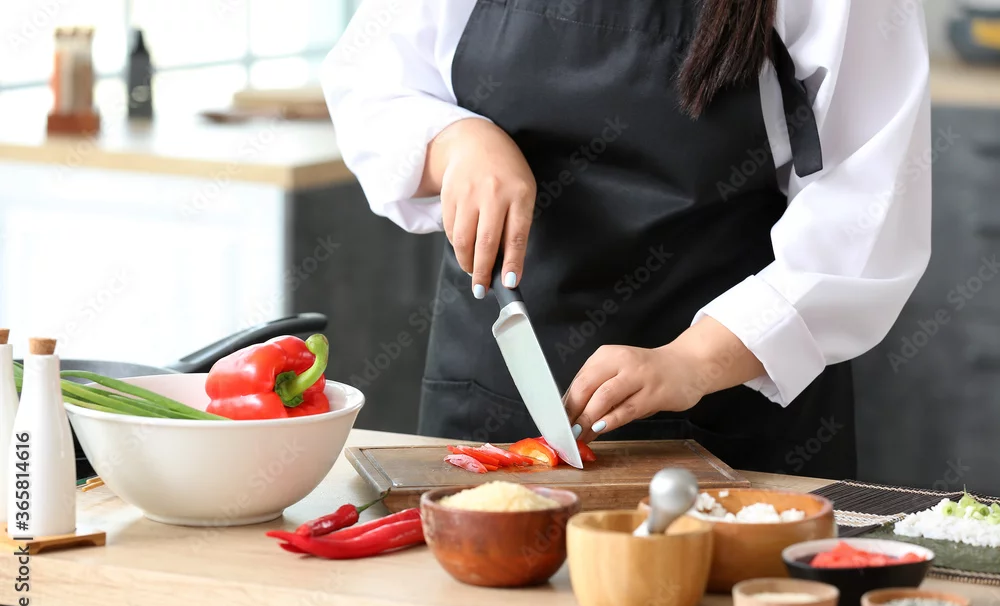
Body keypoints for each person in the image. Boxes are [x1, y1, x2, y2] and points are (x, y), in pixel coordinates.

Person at [322, 0, 931, 478]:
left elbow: (867, 198)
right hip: (489, 390)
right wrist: (454, 142)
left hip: (728, 409)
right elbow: (370, 81)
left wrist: (695, 361)